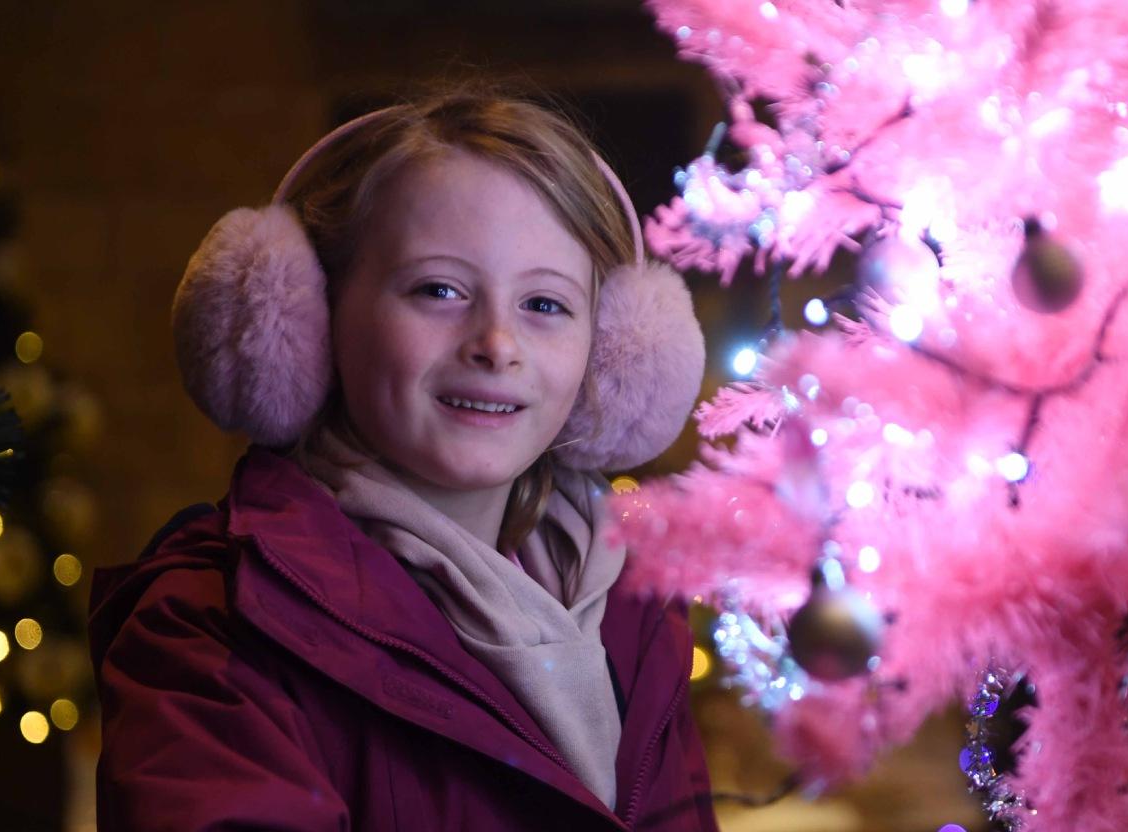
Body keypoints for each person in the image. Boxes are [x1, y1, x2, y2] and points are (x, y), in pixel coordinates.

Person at [87, 86, 715, 830]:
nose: (495, 344)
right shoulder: (207, 624)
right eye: (439, 289)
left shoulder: (634, 612)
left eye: (544, 305)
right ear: (311, 322)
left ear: (610, 354)